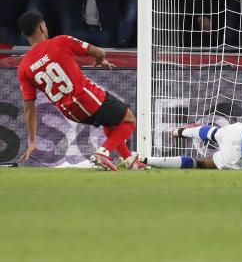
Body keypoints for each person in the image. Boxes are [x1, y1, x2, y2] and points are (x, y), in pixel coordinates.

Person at [16, 11, 145, 170]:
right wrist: (100, 60)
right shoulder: (60, 42)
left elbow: (29, 108)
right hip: (85, 97)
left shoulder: (24, 68)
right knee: (129, 119)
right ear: (42, 28)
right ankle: (103, 153)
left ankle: (129, 160)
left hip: (69, 111)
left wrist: (33, 141)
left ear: (24, 35)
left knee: (110, 121)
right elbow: (100, 52)